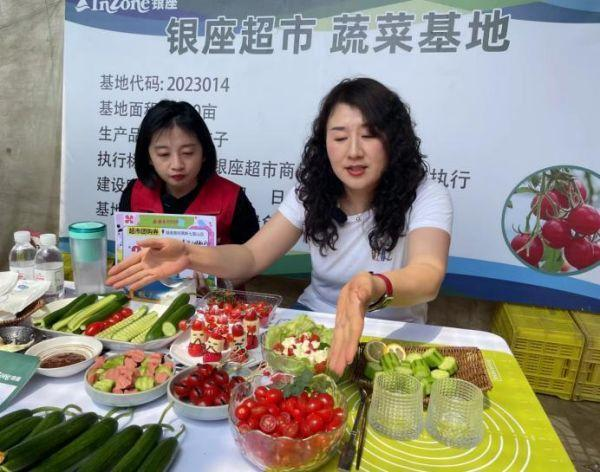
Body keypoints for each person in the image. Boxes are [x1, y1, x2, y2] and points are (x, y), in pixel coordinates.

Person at [107, 78, 452, 375]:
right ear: (324, 143)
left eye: (369, 135)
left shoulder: (425, 194)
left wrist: (371, 286)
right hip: (314, 320)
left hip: (391, 332)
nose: (354, 152)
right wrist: (188, 254)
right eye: (339, 137)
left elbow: (428, 275)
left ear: (394, 141)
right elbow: (250, 257)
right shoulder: (309, 193)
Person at [119, 100, 259, 245]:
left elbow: (252, 254)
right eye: (164, 154)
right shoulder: (134, 194)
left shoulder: (232, 199)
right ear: (148, 157)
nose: (177, 165)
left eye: (188, 152)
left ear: (204, 153)